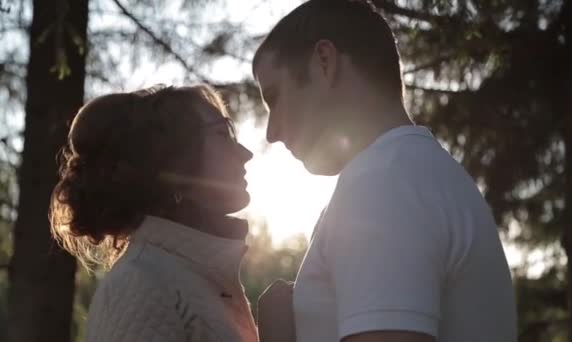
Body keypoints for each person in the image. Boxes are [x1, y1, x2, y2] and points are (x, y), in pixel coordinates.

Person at [253, 1, 517, 342]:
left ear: (324, 62)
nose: (271, 133)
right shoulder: (412, 173)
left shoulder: (383, 183)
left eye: (273, 97)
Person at [49, 84, 258, 342]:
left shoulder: (193, 278)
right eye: (222, 134)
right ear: (176, 165)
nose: (245, 154)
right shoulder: (140, 286)